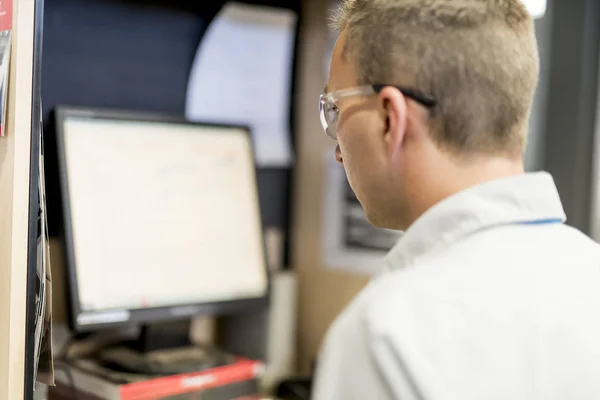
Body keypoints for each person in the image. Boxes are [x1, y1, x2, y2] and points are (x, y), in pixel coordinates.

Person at [313, 0, 600, 399]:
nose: (338, 151)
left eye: (334, 108)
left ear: (389, 119)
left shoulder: (386, 334)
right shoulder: (591, 274)